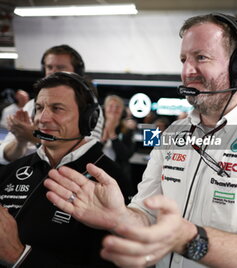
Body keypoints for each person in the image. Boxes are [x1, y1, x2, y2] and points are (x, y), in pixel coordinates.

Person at [44, 13, 237, 268]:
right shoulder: (173, 134)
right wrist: (121, 215)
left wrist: (186, 238)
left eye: (201, 57)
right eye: (183, 59)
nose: (187, 71)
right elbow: (146, 217)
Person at [0, 72, 131, 267]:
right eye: (39, 108)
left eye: (57, 108)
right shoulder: (11, 171)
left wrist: (19, 256)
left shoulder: (111, 181)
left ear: (88, 118)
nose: (42, 118)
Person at [0, 44, 104, 164]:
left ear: (77, 72)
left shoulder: (89, 107)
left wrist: (32, 136)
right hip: (28, 175)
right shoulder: (31, 105)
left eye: (60, 67)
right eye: (49, 67)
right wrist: (20, 142)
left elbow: (87, 151)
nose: (53, 72)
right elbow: (4, 156)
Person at [101, 95, 136, 186]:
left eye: (117, 107)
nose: (114, 109)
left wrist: (113, 135)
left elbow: (126, 155)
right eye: (111, 106)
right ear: (104, 109)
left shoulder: (128, 130)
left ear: (122, 111)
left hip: (119, 176)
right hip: (98, 172)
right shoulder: (96, 127)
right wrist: (104, 135)